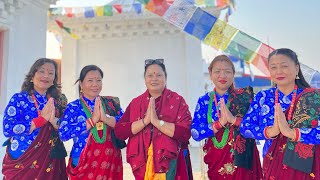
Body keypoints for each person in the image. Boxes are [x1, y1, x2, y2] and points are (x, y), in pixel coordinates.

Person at [240, 48, 320, 179]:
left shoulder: (313, 97)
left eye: (284, 66)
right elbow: (245, 127)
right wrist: (270, 132)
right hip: (272, 165)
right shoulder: (263, 97)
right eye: (273, 67)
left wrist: (292, 133)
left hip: (307, 167)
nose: (279, 71)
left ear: (296, 68)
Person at [114, 59, 193, 180]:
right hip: (142, 163)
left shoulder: (177, 101)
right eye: (150, 75)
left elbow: (185, 133)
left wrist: (158, 122)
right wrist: (145, 121)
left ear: (165, 78)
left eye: (159, 75)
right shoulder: (136, 103)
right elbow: (120, 132)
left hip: (171, 163)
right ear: (145, 79)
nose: (154, 78)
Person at [191, 55, 262, 180]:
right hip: (216, 162)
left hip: (243, 163)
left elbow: (258, 129)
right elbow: (195, 133)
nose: (222, 76)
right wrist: (219, 123)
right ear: (210, 73)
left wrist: (235, 120)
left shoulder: (245, 98)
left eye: (227, 72)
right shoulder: (204, 101)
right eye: (217, 71)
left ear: (233, 74)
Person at [2, 58, 68, 179]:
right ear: (32, 76)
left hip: (49, 161)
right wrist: (40, 120)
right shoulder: (19, 99)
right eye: (42, 71)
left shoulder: (59, 101)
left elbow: (66, 130)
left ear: (54, 80)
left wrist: (54, 121)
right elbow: (8, 129)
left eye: (50, 73)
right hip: (22, 160)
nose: (46, 76)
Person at [59, 65, 124, 180]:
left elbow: (125, 125)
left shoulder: (110, 103)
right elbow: (63, 134)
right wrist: (91, 121)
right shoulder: (74, 107)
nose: (95, 84)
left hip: (109, 162)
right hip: (82, 162)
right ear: (81, 84)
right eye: (90, 80)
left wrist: (106, 119)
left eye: (99, 80)